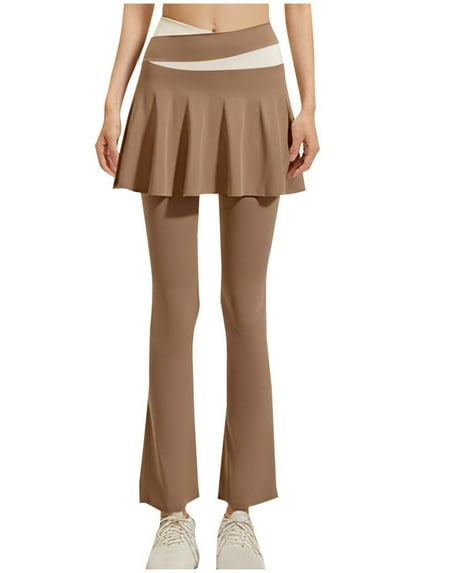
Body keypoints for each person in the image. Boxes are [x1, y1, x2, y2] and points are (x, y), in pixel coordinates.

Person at [95, 3, 318, 568]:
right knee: (175, 308)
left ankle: (240, 512)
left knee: (246, 308)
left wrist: (309, 105)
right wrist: (112, 102)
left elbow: (298, 5)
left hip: (257, 79)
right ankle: (172, 515)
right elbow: (137, 8)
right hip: (169, 79)